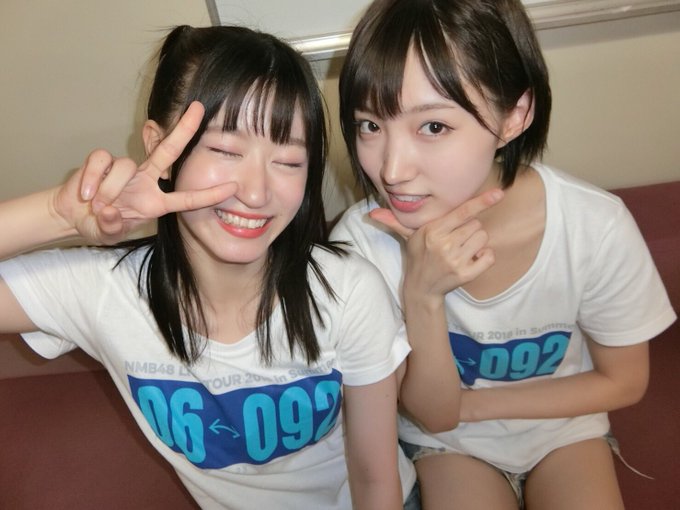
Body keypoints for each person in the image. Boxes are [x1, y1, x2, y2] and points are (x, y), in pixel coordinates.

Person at [0, 25, 419, 509]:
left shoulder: (347, 291)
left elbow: (374, 481)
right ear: (158, 147)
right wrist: (58, 214)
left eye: (288, 161)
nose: (256, 193)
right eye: (224, 150)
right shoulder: (105, 291)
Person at [330, 0, 677, 508]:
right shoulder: (361, 244)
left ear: (514, 115)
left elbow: (624, 380)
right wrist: (423, 294)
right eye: (370, 125)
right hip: (446, 444)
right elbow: (436, 416)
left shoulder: (591, 225)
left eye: (433, 127)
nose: (392, 170)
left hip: (563, 429)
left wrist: (474, 406)